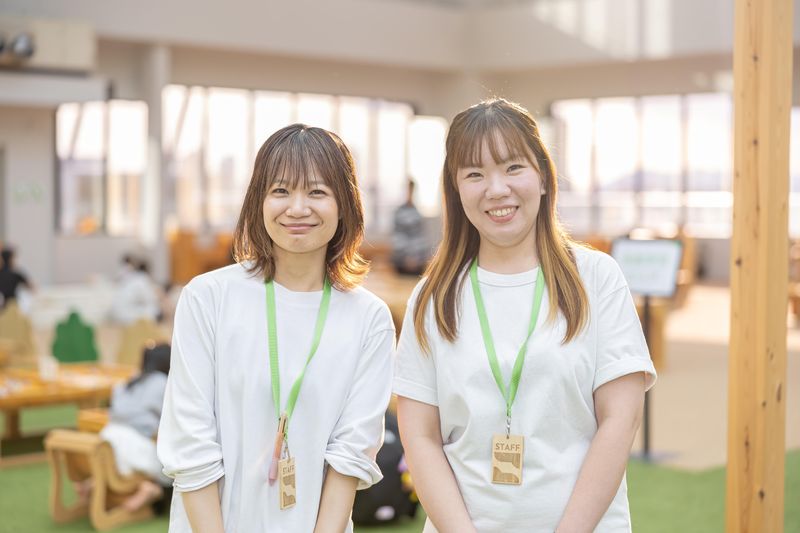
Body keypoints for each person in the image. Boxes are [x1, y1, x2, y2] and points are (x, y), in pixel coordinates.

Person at [394, 98, 657, 533]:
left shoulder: (596, 277)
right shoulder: (433, 296)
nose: (497, 189)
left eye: (513, 167)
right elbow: (420, 436)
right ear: (456, 190)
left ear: (543, 177)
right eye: (474, 174)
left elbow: (620, 417)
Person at [157, 124, 395, 532]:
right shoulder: (208, 298)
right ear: (259, 201)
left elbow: (350, 457)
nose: (297, 208)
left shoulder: (369, 319)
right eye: (281, 190)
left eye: (317, 192)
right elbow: (190, 443)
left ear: (344, 204)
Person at [80, 343, 172, 511]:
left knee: (120, 464)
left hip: (108, 436)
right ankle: (149, 488)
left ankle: (96, 482)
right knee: (169, 465)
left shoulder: (130, 380)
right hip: (134, 444)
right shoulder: (163, 382)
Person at [391, 179, 431, 276]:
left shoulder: (417, 213)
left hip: (417, 262)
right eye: (408, 190)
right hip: (402, 261)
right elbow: (398, 237)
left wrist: (416, 258)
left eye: (412, 190)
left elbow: (420, 237)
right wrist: (406, 258)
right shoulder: (399, 212)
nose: (410, 193)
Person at [109, 254, 161, 325]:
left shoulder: (129, 277)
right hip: (126, 315)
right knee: (153, 310)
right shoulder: (142, 279)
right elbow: (149, 299)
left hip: (115, 312)